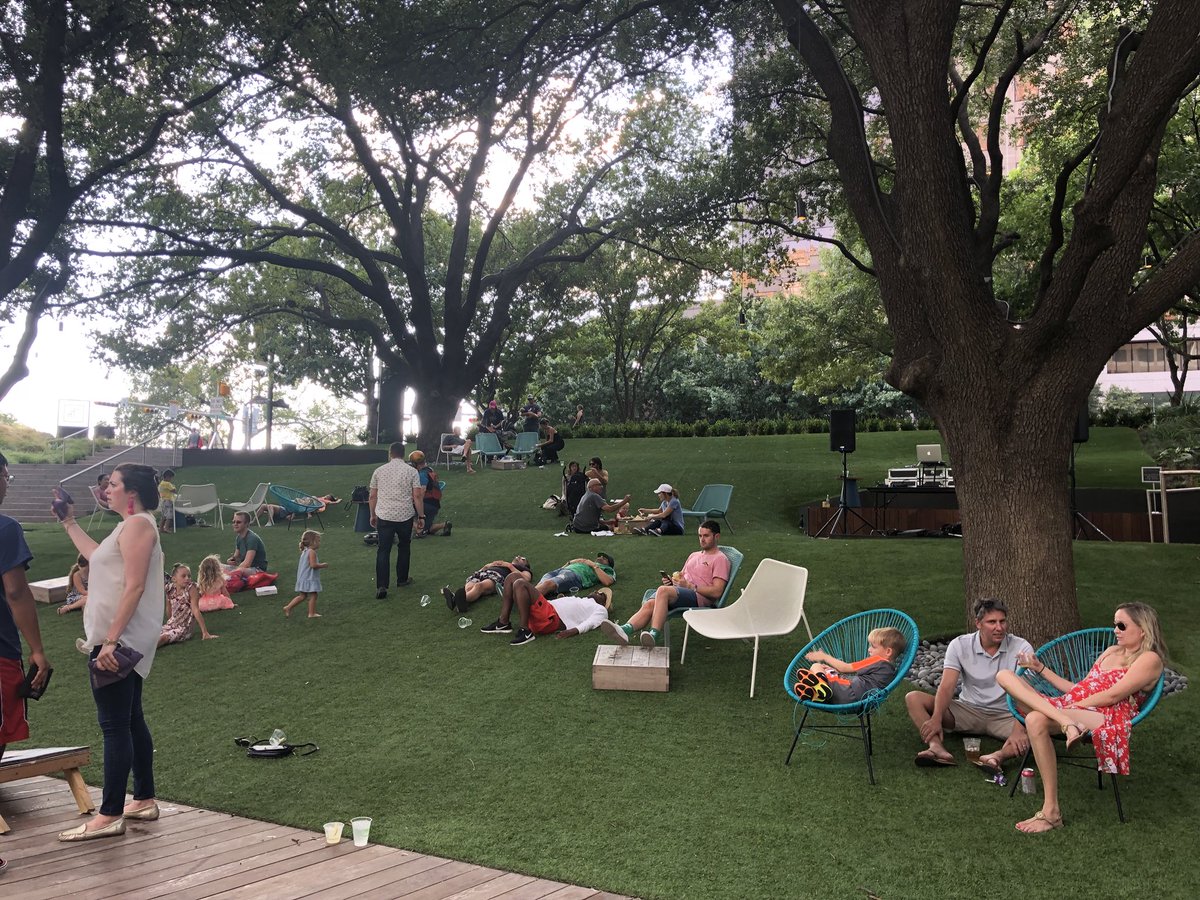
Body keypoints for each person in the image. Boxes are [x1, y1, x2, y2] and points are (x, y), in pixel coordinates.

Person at [55, 462, 162, 841]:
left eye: (113, 485)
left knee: (114, 725)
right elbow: (99, 557)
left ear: (131, 492)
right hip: (122, 636)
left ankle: (109, 813)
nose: (106, 490)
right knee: (130, 718)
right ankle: (144, 799)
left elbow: (133, 586)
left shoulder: (137, 525)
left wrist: (111, 640)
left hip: (120, 639)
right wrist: (68, 522)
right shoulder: (129, 525)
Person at [996, 602, 1165, 833]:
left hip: (1106, 715)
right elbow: (1080, 688)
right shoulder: (1111, 652)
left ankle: (1051, 809)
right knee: (1005, 676)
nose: (1115, 630)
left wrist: (1071, 707)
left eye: (1122, 625)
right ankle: (1052, 807)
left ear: (1143, 629)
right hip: (1075, 710)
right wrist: (1040, 669)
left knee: (1036, 716)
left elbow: (1112, 695)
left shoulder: (1148, 659)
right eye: (1115, 624)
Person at [905, 597, 1033, 771]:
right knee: (913, 698)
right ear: (978, 623)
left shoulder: (1022, 647)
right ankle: (936, 748)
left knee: (1038, 728)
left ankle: (996, 757)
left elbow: (1025, 693)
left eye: (1003, 621)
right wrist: (936, 718)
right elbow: (947, 686)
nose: (999, 627)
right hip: (968, 711)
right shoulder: (959, 645)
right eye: (992, 622)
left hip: (1006, 714)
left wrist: (1019, 728)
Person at [600, 519, 730, 649]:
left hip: (699, 597)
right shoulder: (694, 555)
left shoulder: (720, 559)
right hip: (682, 591)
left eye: (706, 536)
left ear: (716, 536)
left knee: (663, 591)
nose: (702, 539)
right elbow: (682, 575)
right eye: (700, 536)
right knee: (651, 602)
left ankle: (654, 634)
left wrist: (691, 587)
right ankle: (625, 630)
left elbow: (717, 592)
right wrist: (672, 580)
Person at [0, 451, 51, 769]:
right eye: (6, 476)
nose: (7, 484)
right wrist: (37, 650)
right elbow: (17, 592)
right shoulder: (5, 529)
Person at [479, 577, 612, 646]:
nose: (597, 591)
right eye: (597, 590)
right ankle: (503, 622)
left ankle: (525, 631)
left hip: (551, 618)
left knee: (520, 583)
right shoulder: (582, 600)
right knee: (511, 578)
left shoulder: (600, 610)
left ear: (603, 603)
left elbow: (591, 623)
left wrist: (574, 631)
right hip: (546, 610)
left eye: (601, 594)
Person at [369, 441, 424, 598]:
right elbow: (417, 495)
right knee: (404, 546)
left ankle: (381, 586)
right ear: (404, 453)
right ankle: (402, 579)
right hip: (405, 515)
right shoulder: (412, 472)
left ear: (390, 453)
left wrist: (372, 514)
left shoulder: (379, 471)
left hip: (384, 515)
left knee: (383, 550)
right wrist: (421, 516)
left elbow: (372, 495)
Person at [793, 628, 908, 703]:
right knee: (820, 676)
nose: (869, 650)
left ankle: (820, 684)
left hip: (846, 690)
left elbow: (845, 668)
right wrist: (835, 672)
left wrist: (824, 656)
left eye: (873, 646)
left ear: (888, 652)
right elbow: (863, 681)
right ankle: (817, 692)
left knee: (816, 666)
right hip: (858, 701)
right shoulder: (890, 671)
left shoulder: (877, 660)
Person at [442, 556, 532, 614]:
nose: (519, 557)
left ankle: (457, 600)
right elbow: (480, 571)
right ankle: (461, 601)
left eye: (522, 558)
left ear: (525, 563)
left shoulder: (523, 569)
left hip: (496, 577)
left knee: (479, 586)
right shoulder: (503, 564)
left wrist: (509, 566)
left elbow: (526, 578)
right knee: (469, 587)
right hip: (483, 573)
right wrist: (486, 566)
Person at [159, 562, 216, 645]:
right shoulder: (169, 588)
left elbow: (195, 610)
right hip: (172, 624)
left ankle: (145, 652)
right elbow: (169, 607)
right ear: (174, 579)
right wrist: (170, 622)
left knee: (164, 637)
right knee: (152, 633)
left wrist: (205, 632)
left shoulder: (191, 588)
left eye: (189, 576)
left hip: (184, 628)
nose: (187, 578)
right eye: (183, 576)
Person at [527, 553, 616, 600]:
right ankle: (524, 597)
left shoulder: (607, 569)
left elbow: (608, 581)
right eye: (600, 556)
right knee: (542, 586)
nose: (601, 557)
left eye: (604, 558)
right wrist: (569, 563)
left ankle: (523, 600)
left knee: (547, 584)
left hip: (575, 575)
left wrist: (593, 565)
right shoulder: (587, 562)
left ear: (609, 564)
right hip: (561, 571)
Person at [284, 530, 327, 618]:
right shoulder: (311, 552)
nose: (319, 543)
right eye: (318, 541)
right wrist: (323, 565)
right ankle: (311, 613)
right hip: (309, 578)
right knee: (314, 595)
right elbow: (313, 565)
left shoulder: (305, 551)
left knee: (302, 596)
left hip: (303, 578)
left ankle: (288, 607)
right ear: (313, 542)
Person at [410, 451, 452, 537]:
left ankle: (418, 530)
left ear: (414, 464)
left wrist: (413, 502)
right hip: (434, 504)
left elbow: (421, 493)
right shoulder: (430, 470)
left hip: (426, 503)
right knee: (427, 529)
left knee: (403, 513)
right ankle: (444, 525)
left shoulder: (422, 474)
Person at [158, 469, 177, 534]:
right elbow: (174, 490)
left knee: (164, 516)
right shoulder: (168, 484)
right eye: (171, 477)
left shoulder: (161, 483)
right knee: (169, 515)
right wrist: (174, 487)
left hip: (163, 501)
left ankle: (161, 528)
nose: (171, 479)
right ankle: (166, 528)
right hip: (168, 501)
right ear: (167, 477)